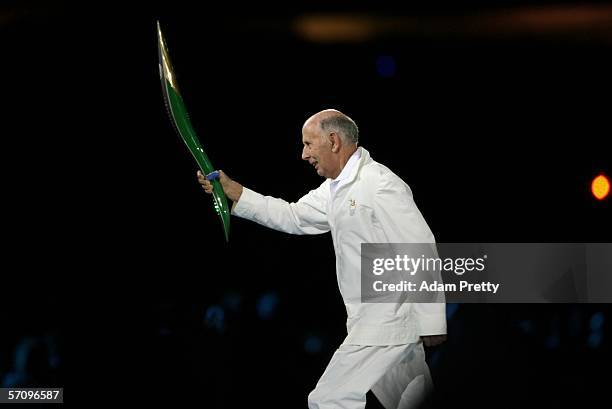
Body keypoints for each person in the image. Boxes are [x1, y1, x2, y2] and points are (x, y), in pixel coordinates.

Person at [197, 109, 447, 409]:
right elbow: (293, 216)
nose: (304, 154)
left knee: (330, 399)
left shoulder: (379, 183)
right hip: (368, 321)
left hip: (387, 319)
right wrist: (234, 192)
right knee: (413, 401)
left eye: (308, 144)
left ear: (333, 140)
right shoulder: (335, 189)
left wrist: (432, 319)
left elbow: (419, 246)